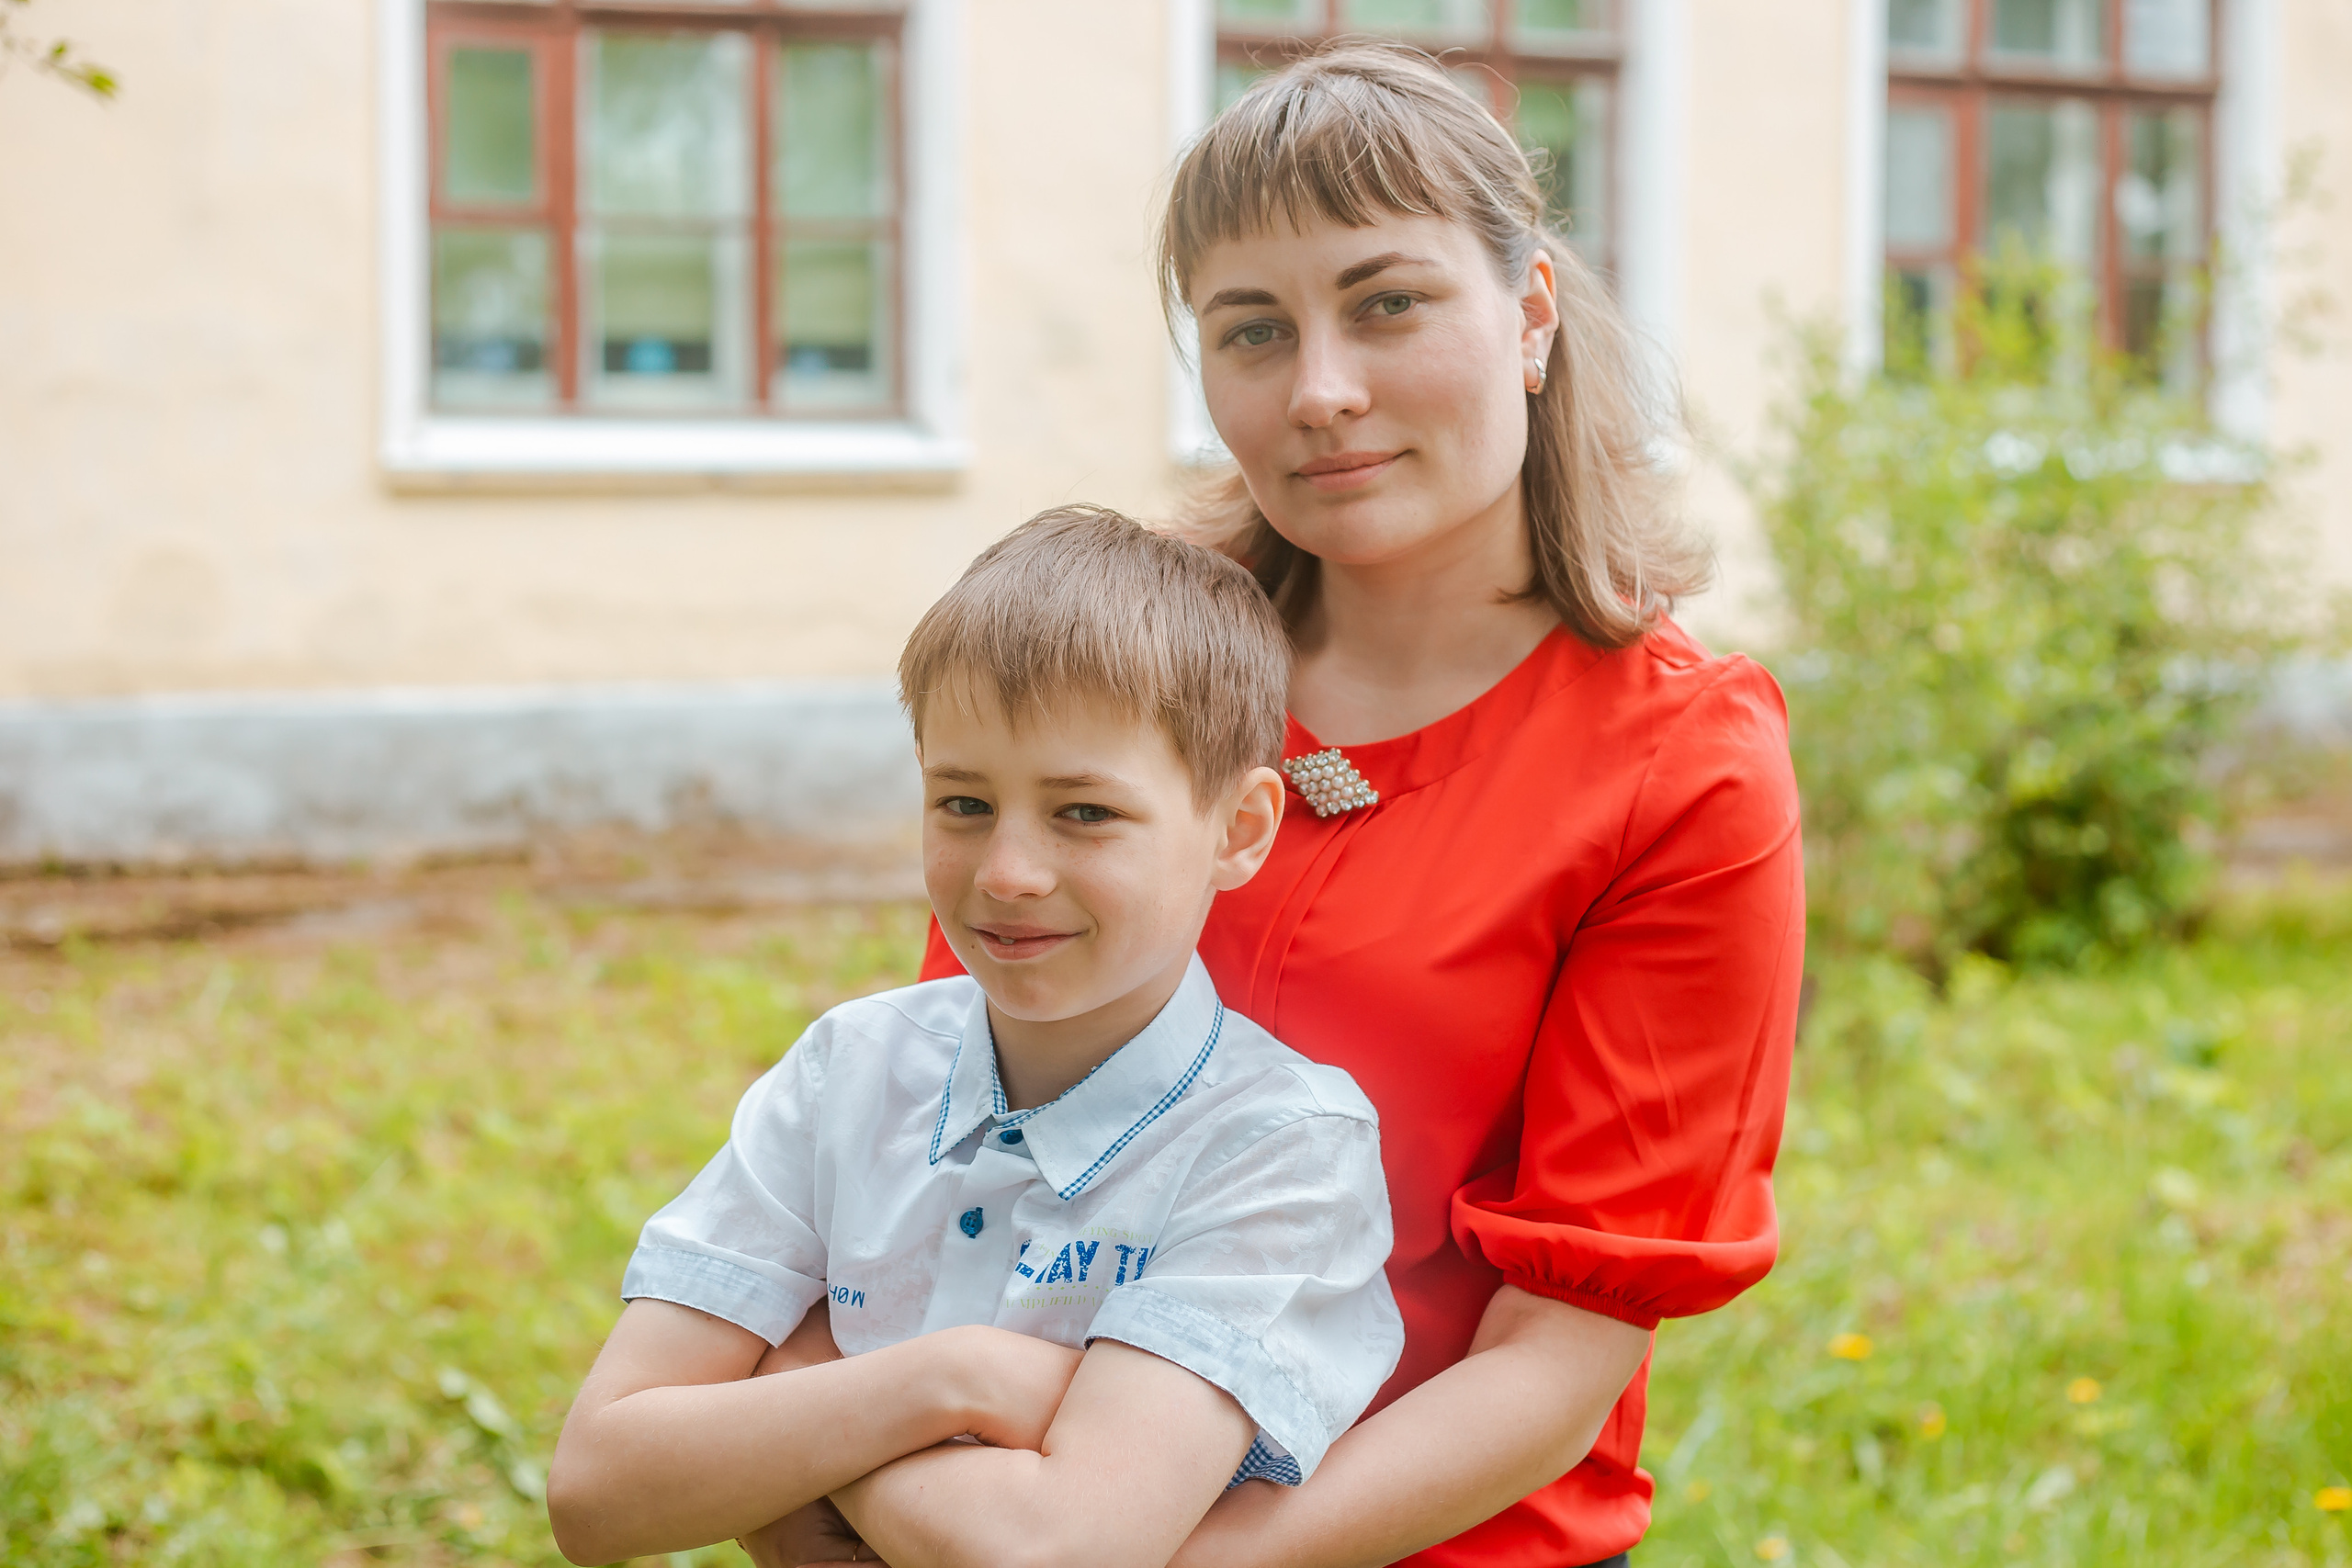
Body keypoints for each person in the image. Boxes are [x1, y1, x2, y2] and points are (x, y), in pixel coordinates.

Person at [795, 39, 1804, 1568]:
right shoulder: (1134, 666)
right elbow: (931, 1142)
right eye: (1253, 329)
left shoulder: (1682, 761)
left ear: (1529, 313)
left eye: (1388, 303)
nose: (1322, 392)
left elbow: (1559, 1351)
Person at [546, 505, 1406, 1568]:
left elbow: (1046, 1553)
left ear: (1238, 832)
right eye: (961, 802)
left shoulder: (1279, 1150)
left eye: (1083, 813)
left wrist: (787, 1404)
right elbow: (595, 1492)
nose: (1007, 873)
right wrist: (948, 1380)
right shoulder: (846, 1071)